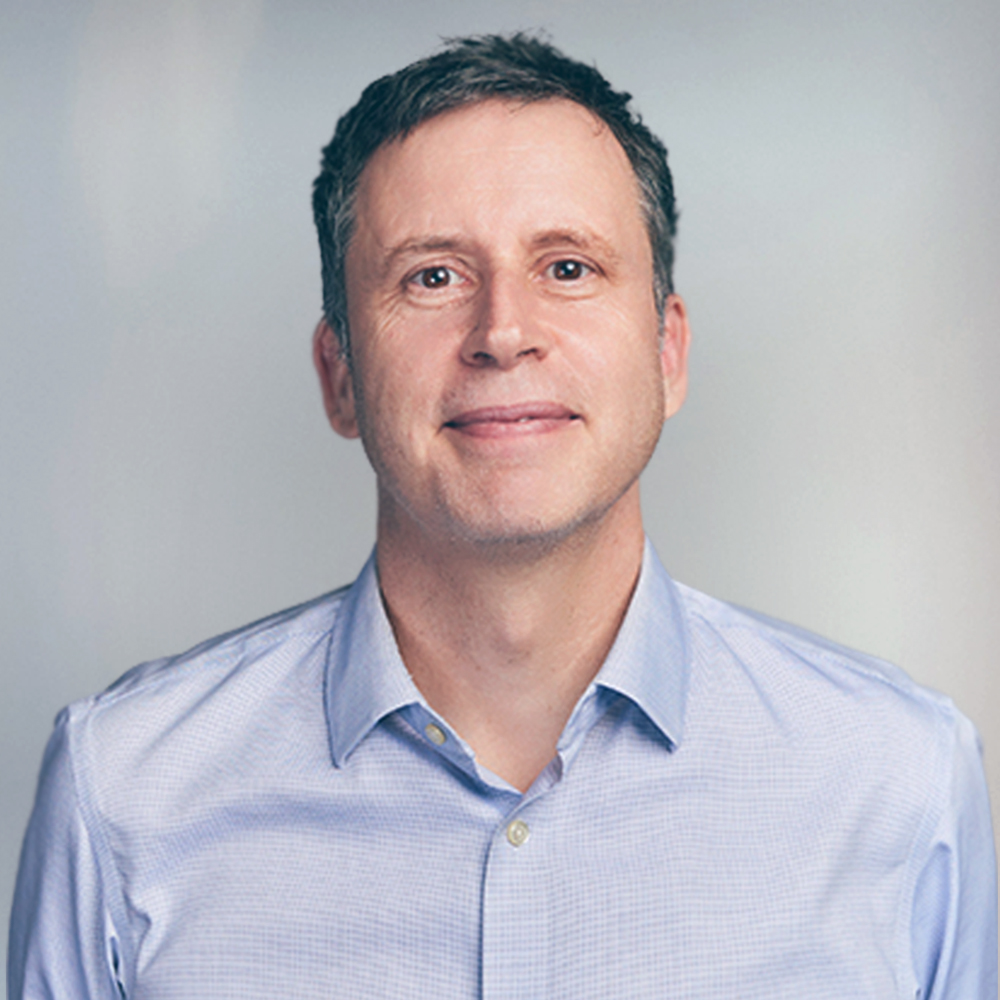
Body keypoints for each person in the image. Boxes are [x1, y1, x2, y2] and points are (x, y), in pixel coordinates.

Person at [8, 32, 996, 1000]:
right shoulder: (123, 789)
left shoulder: (898, 780)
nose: (503, 332)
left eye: (568, 266)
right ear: (339, 373)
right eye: (431, 275)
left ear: (668, 353)